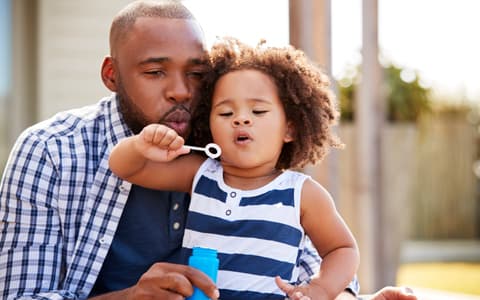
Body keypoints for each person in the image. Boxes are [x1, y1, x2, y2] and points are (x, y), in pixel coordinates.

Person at [0, 0, 416, 299]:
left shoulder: (240, 155)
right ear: (112, 74)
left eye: (196, 73)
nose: (180, 90)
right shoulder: (52, 151)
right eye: (154, 71)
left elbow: (306, 270)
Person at [108, 36, 360, 300]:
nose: (240, 119)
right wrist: (140, 146)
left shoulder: (302, 194)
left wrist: (320, 289)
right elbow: (126, 168)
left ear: (290, 128)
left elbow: (342, 249)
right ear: (209, 126)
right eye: (226, 113)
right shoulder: (200, 174)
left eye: (258, 111)